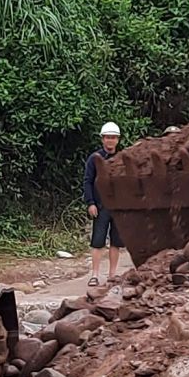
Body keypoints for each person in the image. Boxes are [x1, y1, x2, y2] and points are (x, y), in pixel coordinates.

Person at [83, 122, 129, 289]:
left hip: (118, 207)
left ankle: (112, 275)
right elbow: (87, 181)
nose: (110, 141)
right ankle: (94, 274)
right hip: (101, 206)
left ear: (118, 140)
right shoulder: (95, 159)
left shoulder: (123, 158)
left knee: (116, 242)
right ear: (103, 139)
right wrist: (91, 203)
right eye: (108, 137)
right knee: (98, 240)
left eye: (113, 137)